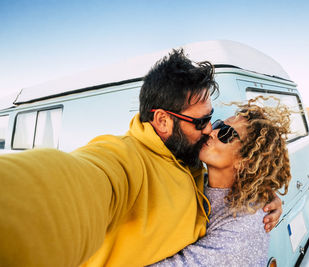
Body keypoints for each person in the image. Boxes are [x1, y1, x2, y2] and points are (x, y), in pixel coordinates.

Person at [0, 50, 282, 267]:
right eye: (203, 122)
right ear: (162, 121)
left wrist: (265, 194)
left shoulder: (189, 160)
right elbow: (71, 187)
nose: (210, 129)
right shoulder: (124, 159)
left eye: (216, 121)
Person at [151, 99, 292, 266]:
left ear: (246, 161)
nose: (211, 131)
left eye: (226, 133)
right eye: (218, 125)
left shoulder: (244, 226)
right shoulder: (195, 180)